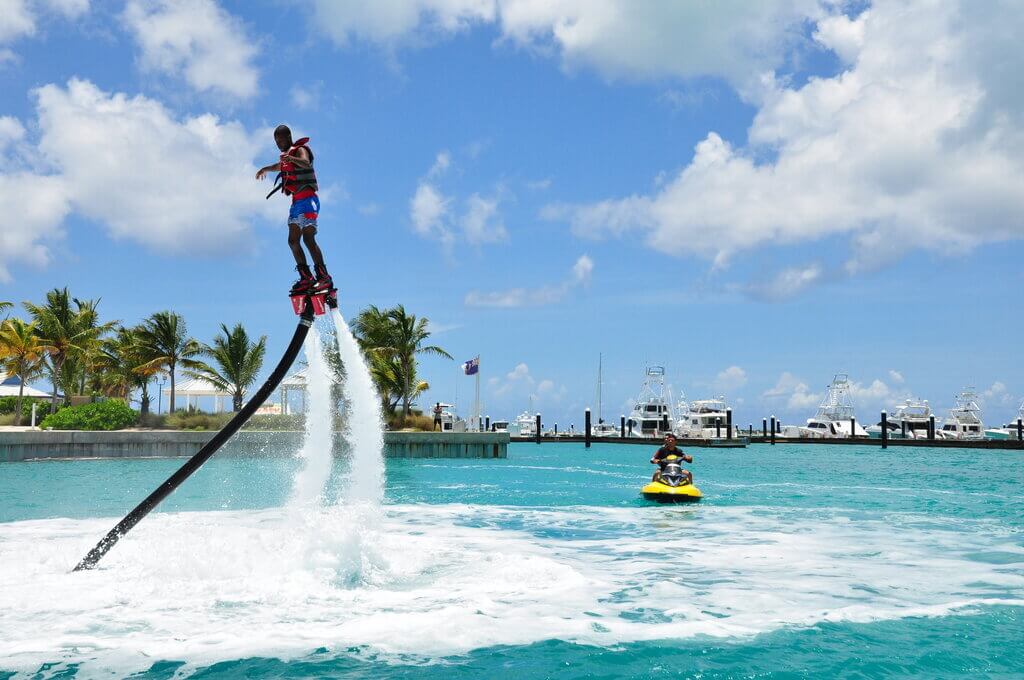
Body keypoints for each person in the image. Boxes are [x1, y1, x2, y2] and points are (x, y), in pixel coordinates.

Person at [256, 124, 333, 295]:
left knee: (308, 238)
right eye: (276, 141)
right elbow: (280, 166)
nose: (278, 143)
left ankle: (324, 277)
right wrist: (266, 169)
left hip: (308, 200)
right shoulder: (287, 156)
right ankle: (306, 277)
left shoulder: (300, 150)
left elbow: (305, 163)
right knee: (292, 241)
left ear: (288, 137)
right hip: (296, 203)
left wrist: (292, 159)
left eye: (281, 139)